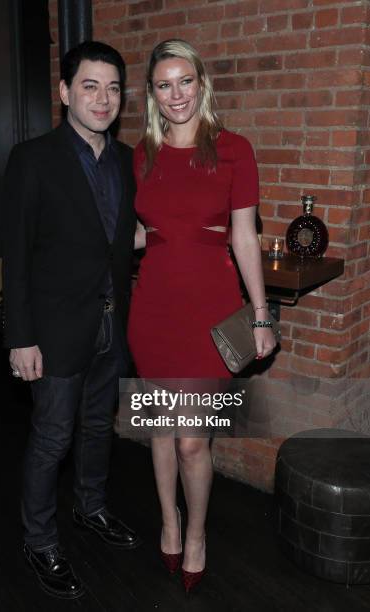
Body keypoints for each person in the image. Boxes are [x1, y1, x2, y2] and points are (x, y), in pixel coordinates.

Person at [128, 39, 276, 593]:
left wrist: (260, 315)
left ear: (201, 82)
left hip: (210, 307)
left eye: (184, 80)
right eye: (164, 85)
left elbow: (244, 236)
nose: (176, 94)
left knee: (192, 438)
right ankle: (167, 521)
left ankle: (196, 535)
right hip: (153, 308)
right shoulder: (140, 153)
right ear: (152, 93)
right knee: (160, 430)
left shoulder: (233, 149)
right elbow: (147, 231)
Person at [2, 41, 140, 600]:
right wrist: (21, 339)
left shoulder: (128, 160)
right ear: (64, 92)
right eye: (90, 85)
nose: (103, 98)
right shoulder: (32, 159)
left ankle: (91, 508)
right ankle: (39, 540)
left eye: (112, 88)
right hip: (55, 330)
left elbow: (122, 237)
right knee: (53, 437)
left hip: (113, 325)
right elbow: (15, 256)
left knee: (97, 429)